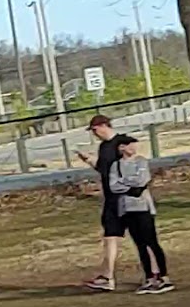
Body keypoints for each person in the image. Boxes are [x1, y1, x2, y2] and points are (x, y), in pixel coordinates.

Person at [109, 135, 174, 293]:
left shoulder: (141, 161)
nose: (134, 148)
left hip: (143, 207)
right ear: (121, 148)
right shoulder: (115, 166)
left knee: (151, 241)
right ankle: (149, 277)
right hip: (126, 209)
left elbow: (142, 180)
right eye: (130, 145)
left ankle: (162, 276)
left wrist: (126, 182)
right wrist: (130, 185)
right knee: (140, 244)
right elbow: (113, 186)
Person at [75, 112, 125, 292]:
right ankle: (108, 276)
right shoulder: (104, 148)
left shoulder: (122, 143)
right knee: (111, 236)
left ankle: (156, 274)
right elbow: (103, 169)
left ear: (104, 126)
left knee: (141, 236)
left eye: (95, 130)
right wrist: (88, 160)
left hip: (125, 197)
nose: (94, 134)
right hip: (111, 197)